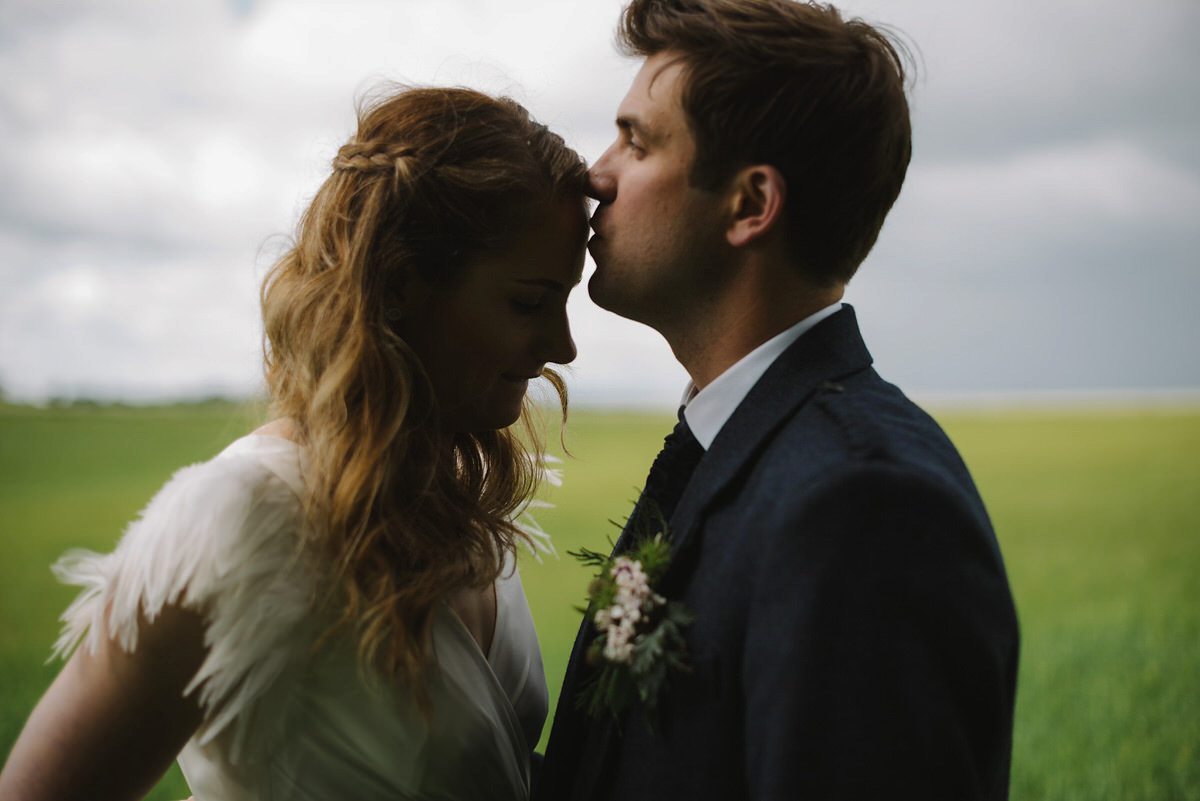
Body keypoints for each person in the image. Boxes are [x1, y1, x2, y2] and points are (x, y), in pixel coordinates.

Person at [0, 86, 589, 801]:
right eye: (528, 302)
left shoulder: (457, 496)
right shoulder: (245, 518)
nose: (563, 346)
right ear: (402, 284)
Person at [537, 1, 1020, 799]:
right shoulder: (746, 443)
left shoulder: (866, 506)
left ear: (752, 204)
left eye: (636, 140)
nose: (595, 173)